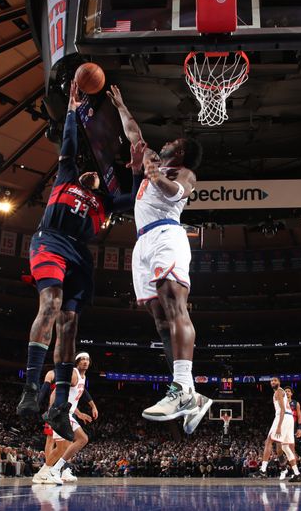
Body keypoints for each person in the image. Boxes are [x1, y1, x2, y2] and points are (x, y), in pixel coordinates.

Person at [16, 78, 144, 442]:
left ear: (102, 184)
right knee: (52, 304)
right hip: (51, 241)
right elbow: (70, 147)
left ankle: (58, 405)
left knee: (70, 325)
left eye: (97, 174)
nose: (90, 171)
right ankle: (28, 388)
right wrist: (72, 112)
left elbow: (135, 200)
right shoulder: (67, 176)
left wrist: (135, 169)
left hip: (79, 255)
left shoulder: (105, 204)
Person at [106, 84, 211, 433]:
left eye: (173, 142)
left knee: (174, 306)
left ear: (179, 153)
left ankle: (182, 386)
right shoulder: (152, 161)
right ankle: (190, 394)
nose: (165, 142)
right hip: (143, 243)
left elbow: (175, 191)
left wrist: (152, 174)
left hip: (168, 235)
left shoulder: (182, 174)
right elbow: (133, 132)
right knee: (159, 320)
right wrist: (121, 105)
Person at [33, 353, 95, 485]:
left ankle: (48, 472)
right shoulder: (73, 373)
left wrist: (79, 413)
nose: (85, 362)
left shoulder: (83, 377)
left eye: (87, 359)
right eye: (82, 359)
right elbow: (56, 391)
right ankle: (52, 471)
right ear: (77, 362)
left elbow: (73, 398)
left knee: (67, 446)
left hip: (69, 414)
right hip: (61, 414)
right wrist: (52, 410)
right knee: (74, 442)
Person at [251, 376, 301, 482]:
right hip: (290, 420)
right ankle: (297, 473)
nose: (272, 382)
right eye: (271, 381)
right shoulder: (281, 393)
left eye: (275, 380)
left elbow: (282, 409)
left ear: (279, 382)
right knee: (285, 448)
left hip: (282, 417)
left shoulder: (278, 392)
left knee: (269, 441)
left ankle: (263, 470)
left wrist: (279, 426)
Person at [279, 386, 301, 480]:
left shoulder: (296, 403)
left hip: (291, 428)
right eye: (285, 391)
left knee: (291, 450)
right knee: (279, 449)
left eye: (289, 391)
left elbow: (299, 416)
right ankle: (283, 469)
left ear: (291, 393)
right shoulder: (281, 402)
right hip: (281, 427)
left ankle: (294, 472)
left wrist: (300, 428)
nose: (287, 392)